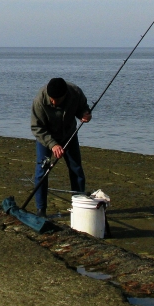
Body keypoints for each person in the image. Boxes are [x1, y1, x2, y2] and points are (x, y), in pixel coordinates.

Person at [30, 77, 92, 217]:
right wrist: (53, 145)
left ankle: (79, 206)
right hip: (46, 138)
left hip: (69, 135)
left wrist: (85, 115)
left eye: (56, 100)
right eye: (51, 99)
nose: (53, 102)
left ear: (64, 96)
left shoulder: (75, 92)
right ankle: (41, 210)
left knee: (76, 169)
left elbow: (82, 108)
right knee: (42, 170)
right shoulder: (39, 100)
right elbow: (36, 127)